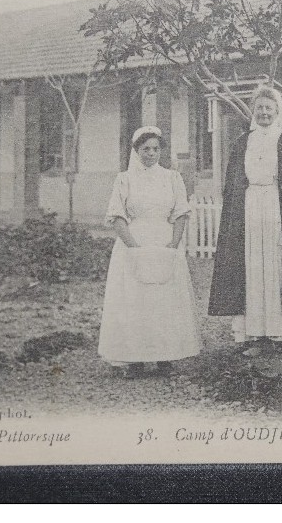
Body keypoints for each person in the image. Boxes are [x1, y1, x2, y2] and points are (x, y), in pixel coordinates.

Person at [208, 86, 282, 357]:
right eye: (259, 108)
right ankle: (257, 336)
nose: (264, 113)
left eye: (269, 108)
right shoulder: (243, 142)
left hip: (280, 209)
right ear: (254, 110)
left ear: (277, 111)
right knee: (254, 268)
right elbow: (234, 182)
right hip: (250, 208)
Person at [98, 126, 201, 378]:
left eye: (156, 149)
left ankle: (165, 357)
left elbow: (180, 213)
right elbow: (117, 216)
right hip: (134, 243)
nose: (151, 154)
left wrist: (173, 245)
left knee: (164, 301)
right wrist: (133, 248)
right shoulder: (124, 179)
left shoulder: (172, 178)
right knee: (135, 301)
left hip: (164, 243)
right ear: (136, 151)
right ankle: (135, 360)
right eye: (146, 149)